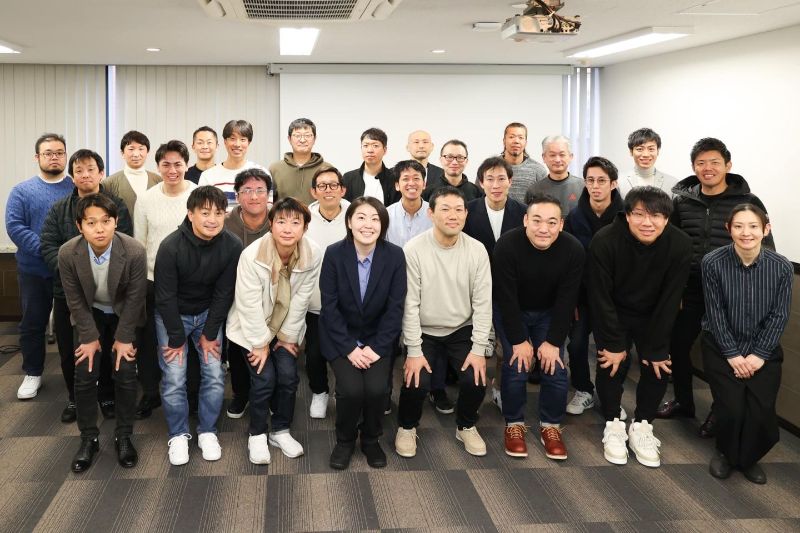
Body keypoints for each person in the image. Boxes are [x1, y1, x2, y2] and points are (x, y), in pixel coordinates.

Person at [658, 138, 774, 439]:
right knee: (678, 346)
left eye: (714, 162)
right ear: (693, 166)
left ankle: (720, 411)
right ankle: (684, 402)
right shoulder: (681, 201)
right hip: (691, 289)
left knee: (723, 355)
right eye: (701, 163)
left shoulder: (747, 201)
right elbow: (671, 247)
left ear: (728, 165)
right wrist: (675, 290)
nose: (707, 168)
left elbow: (766, 249)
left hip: (731, 293)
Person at [588, 186, 691, 468]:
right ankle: (612, 422)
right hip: (615, 310)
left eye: (656, 216)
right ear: (627, 215)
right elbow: (600, 296)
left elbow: (672, 298)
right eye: (640, 214)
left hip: (655, 313)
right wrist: (613, 343)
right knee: (610, 363)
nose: (648, 222)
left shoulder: (680, 244)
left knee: (658, 366)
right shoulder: (605, 240)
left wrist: (657, 346)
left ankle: (643, 424)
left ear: (667, 219)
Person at [395, 186, 492, 458]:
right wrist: (413, 351)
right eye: (445, 209)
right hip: (424, 329)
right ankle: (406, 426)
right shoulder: (414, 249)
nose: (453, 215)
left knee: (476, 378)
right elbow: (409, 306)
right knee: (416, 380)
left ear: (466, 214)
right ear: (431, 214)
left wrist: (478, 349)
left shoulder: (477, 250)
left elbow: (483, 304)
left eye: (459, 209)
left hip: (461, 328)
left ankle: (466, 425)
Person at [226, 198, 322, 464]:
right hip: (251, 329)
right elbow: (248, 304)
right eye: (281, 221)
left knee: (289, 376)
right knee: (264, 378)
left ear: (305, 227)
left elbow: (301, 298)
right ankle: (257, 434)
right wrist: (260, 343)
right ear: (271, 224)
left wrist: (287, 337)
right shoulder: (252, 255)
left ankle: (280, 430)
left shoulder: (313, 253)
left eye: (295, 222)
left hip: (285, 327)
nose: (288, 228)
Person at [702, 204, 792, 485]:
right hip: (721, 346)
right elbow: (715, 313)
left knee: (760, 411)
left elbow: (779, 315)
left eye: (753, 226)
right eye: (738, 226)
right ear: (728, 229)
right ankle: (725, 453)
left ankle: (749, 458)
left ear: (766, 229)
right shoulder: (712, 262)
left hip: (763, 350)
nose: (746, 233)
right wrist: (732, 354)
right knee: (731, 408)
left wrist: (759, 355)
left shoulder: (782, 266)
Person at [40, 149, 132, 423]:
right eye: (78, 170)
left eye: (91, 169)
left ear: (101, 173)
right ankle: (75, 397)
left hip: (109, 293)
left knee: (105, 346)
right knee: (71, 351)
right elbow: (48, 245)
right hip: (68, 292)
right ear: (72, 176)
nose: (85, 175)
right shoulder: (59, 209)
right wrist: (74, 274)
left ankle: (106, 395)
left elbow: (125, 242)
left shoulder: (116, 205)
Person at [58, 193, 147, 473]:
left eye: (106, 221)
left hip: (124, 313)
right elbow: (74, 299)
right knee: (84, 373)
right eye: (91, 222)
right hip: (90, 312)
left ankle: (124, 435)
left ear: (116, 222)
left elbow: (135, 298)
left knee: (125, 372)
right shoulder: (68, 253)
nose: (100, 228)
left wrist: (123, 338)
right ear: (79, 226)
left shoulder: (133, 250)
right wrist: (89, 337)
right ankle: (89, 438)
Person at [154, 186, 242, 466]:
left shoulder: (232, 245)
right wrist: (176, 338)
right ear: (190, 214)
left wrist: (210, 332)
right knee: (174, 376)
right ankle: (178, 434)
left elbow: (224, 293)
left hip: (208, 313)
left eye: (218, 213)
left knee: (214, 373)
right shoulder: (170, 247)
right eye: (205, 213)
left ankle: (207, 431)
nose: (212, 219)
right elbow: (164, 297)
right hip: (172, 315)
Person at [493, 195, 584, 459]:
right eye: (537, 221)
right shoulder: (507, 245)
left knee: (554, 366)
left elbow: (567, 300)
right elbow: (506, 298)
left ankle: (550, 426)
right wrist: (519, 340)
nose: (544, 228)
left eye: (552, 222)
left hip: (550, 312)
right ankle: (514, 423)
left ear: (561, 225)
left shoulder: (573, 249)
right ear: (525, 220)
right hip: (512, 309)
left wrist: (553, 342)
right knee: (517, 364)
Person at [319, 197, 406, 469]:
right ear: (349, 222)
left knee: (378, 390)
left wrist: (377, 347)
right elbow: (329, 307)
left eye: (375, 219)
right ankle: (345, 440)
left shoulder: (394, 256)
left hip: (378, 339)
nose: (368, 225)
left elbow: (395, 308)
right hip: (341, 338)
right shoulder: (334, 254)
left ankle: (370, 439)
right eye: (361, 217)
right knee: (352, 390)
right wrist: (349, 348)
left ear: (383, 225)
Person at [6, 133, 74, 400]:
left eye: (59, 152)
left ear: (65, 156)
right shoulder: (21, 191)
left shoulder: (76, 188)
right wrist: (48, 252)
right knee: (33, 323)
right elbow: (15, 227)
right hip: (34, 270)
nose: (54, 157)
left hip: (70, 270)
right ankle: (33, 373)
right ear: (37, 157)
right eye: (48, 153)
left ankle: (79, 375)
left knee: (74, 326)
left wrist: (64, 256)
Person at [133, 140, 198, 420]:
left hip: (190, 281)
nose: (172, 170)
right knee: (150, 341)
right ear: (158, 167)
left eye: (178, 164)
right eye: (166, 165)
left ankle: (192, 395)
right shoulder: (146, 199)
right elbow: (139, 242)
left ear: (187, 165)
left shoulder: (197, 195)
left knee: (189, 342)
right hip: (153, 280)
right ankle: (151, 392)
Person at [462, 156, 527, 412]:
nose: (496, 185)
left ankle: (499, 388)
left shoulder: (523, 212)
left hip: (510, 289)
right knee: (470, 341)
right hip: (473, 286)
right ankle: (469, 392)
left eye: (501, 179)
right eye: (490, 179)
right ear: (481, 183)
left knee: (505, 344)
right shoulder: (468, 211)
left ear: (510, 181)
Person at [563, 156, 625, 417]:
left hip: (615, 297)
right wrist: (572, 300)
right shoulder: (575, 216)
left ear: (613, 183)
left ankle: (610, 395)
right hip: (584, 295)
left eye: (601, 181)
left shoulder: (626, 216)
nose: (595, 186)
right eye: (590, 180)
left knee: (609, 347)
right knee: (576, 344)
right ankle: (583, 390)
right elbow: (568, 261)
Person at [223, 168, 273, 419]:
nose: (254, 196)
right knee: (236, 345)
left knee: (270, 346)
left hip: (271, 297)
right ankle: (241, 393)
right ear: (237, 195)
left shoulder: (277, 221)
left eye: (260, 190)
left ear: (268, 195)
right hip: (233, 295)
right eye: (247, 191)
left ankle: (270, 393)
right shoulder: (225, 223)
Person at [304, 166, 350, 419]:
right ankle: (319, 392)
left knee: (347, 353)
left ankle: (345, 392)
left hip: (349, 304)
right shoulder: (305, 219)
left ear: (343, 190)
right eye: (322, 186)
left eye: (334, 185)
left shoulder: (355, 215)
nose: (328, 190)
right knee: (314, 354)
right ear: (314, 191)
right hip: (315, 302)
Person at [199, 119, 271, 212]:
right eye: (232, 139)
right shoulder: (208, 176)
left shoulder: (262, 173)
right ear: (225, 141)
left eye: (243, 139)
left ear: (248, 143)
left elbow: (268, 209)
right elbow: (203, 211)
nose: (237, 144)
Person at [102, 130, 162, 217]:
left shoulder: (158, 181)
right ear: (122, 153)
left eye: (141, 149)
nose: (136, 154)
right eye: (131, 149)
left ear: (147, 153)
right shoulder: (109, 183)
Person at [270, 117, 325, 206]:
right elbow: (269, 204)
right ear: (289, 139)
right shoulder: (275, 169)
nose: (302, 140)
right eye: (297, 136)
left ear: (314, 139)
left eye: (307, 135)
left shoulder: (326, 169)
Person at [525, 135, 583, 214]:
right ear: (544, 157)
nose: (557, 160)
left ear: (570, 157)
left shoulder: (583, 187)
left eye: (562, 155)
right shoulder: (534, 191)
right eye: (552, 155)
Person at [343, 127, 398, 205]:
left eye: (375, 146)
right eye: (365, 145)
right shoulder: (348, 178)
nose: (370, 150)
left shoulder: (394, 178)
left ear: (385, 150)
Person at [617, 128, 677, 198]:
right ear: (631, 151)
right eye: (640, 149)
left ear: (658, 151)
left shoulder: (673, 184)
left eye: (651, 149)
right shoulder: (619, 182)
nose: (646, 154)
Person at [386, 160, 433, 249]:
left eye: (416, 178)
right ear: (397, 185)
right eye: (406, 179)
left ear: (424, 184)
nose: (411, 183)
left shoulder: (435, 214)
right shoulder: (386, 214)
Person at [500, 122, 547, 204]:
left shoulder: (538, 170)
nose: (516, 141)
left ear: (525, 142)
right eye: (511, 137)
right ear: (504, 141)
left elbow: (544, 203)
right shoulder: (490, 167)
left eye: (520, 137)